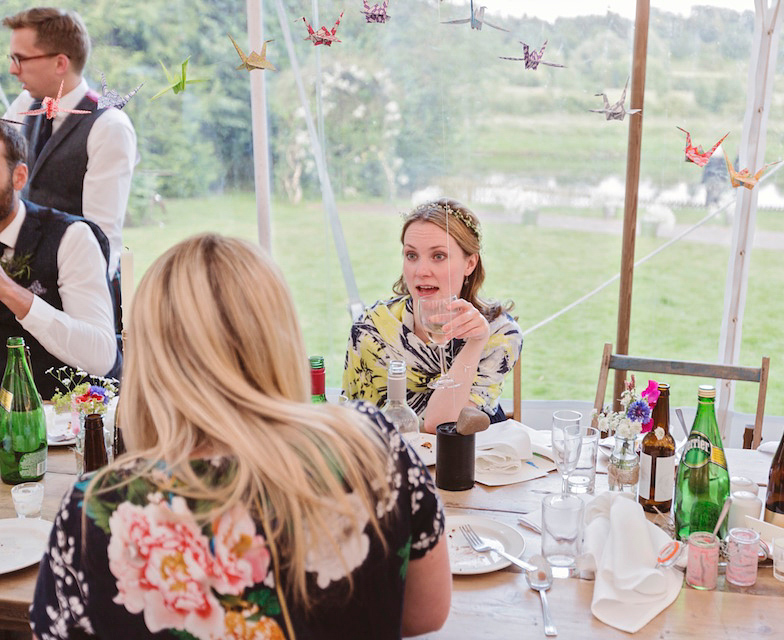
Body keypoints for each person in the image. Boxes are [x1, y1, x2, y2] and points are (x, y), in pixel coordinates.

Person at [30, 234, 451, 639]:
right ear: (280, 337)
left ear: (153, 354)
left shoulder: (95, 511)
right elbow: (425, 614)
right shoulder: (374, 446)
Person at [343, 198, 522, 433]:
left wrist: (475, 343)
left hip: (473, 458)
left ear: (470, 263)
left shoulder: (499, 333)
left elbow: (440, 424)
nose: (421, 271)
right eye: (411, 255)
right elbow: (354, 427)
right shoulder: (372, 331)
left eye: (438, 256)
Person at [3, 7, 136, 284]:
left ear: (60, 63)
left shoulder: (109, 126)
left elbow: (102, 236)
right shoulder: (24, 106)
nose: (12, 69)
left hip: (75, 290)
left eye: (20, 58)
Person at [0, 121, 118, 398]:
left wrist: (10, 292)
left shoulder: (71, 238)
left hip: (66, 422)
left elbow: (101, 355)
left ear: (19, 177)